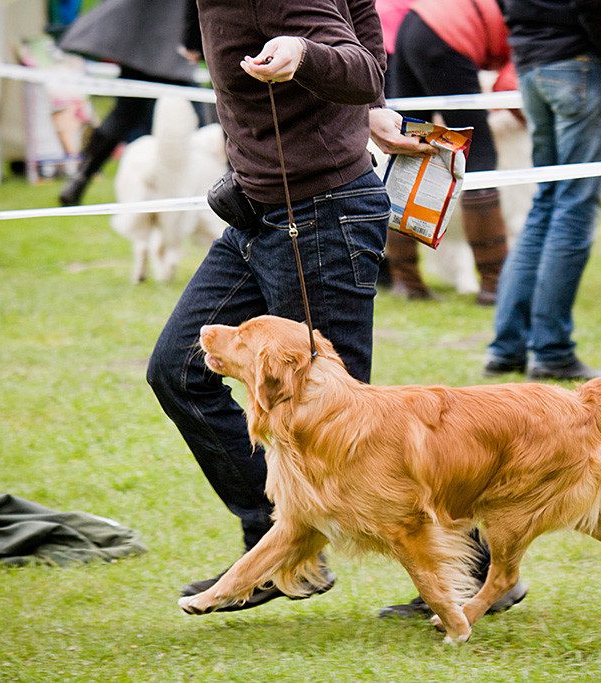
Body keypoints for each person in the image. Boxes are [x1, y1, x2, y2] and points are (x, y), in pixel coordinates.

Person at [147, 0, 440, 611]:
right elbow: (360, 9)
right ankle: (277, 549)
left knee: (357, 430)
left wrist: (308, 56)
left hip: (320, 217)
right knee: (178, 370)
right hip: (257, 213)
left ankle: (482, 565)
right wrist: (375, 110)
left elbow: (360, 64)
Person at [483, 0, 601, 381]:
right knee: (573, 208)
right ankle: (551, 350)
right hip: (579, 63)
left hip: (532, 65)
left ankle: (508, 346)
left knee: (547, 204)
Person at [379, 0, 514, 305]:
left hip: (413, 26)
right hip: (447, 35)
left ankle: (406, 280)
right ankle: (495, 285)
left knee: (409, 148)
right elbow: (511, 81)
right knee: (480, 157)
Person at [57, 0, 198, 206]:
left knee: (125, 113)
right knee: (196, 113)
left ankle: (80, 177)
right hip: (168, 42)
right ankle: (80, 178)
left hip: (146, 40)